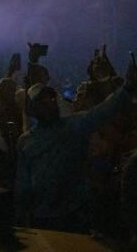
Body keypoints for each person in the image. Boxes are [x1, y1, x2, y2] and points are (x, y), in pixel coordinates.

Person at [15, 60, 137, 233]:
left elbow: (102, 110)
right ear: (33, 108)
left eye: (51, 98)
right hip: (40, 216)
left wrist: (127, 87)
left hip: (73, 214)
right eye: (42, 101)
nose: (49, 103)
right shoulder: (26, 141)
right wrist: (21, 213)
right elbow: (22, 182)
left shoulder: (73, 125)